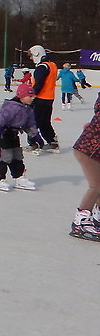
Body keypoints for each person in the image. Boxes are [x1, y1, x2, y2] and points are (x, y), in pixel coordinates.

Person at [0, 83, 40, 192]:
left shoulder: (28, 109)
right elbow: (1, 115)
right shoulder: (12, 106)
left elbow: (30, 124)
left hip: (14, 134)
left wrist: (35, 135)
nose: (33, 98)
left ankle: (19, 177)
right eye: (30, 96)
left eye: (33, 96)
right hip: (2, 134)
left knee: (17, 156)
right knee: (2, 157)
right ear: (21, 96)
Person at [70, 89, 100, 240]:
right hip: (87, 151)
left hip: (92, 151)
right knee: (96, 186)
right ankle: (80, 222)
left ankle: (97, 217)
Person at [28, 44, 59, 152]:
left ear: (37, 54)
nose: (30, 58)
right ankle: (52, 142)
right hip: (49, 98)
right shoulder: (52, 65)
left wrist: (31, 95)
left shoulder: (42, 67)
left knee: (33, 122)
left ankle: (33, 144)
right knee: (45, 122)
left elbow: (39, 84)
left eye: (31, 55)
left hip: (40, 98)